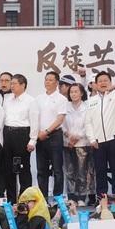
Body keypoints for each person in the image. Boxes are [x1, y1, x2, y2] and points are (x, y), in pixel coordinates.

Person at [84, 71, 115, 196]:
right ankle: (101, 197)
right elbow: (88, 122)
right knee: (100, 170)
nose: (103, 83)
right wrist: (92, 139)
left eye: (105, 80)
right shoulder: (91, 101)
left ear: (110, 82)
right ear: (95, 85)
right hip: (98, 142)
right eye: (100, 81)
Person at [0, 73, 37, 201]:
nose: (12, 86)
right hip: (7, 133)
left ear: (23, 85)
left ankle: (25, 199)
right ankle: (11, 199)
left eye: (14, 83)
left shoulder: (30, 100)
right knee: (8, 168)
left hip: (22, 134)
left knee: (23, 168)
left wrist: (33, 140)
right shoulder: (7, 98)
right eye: (11, 84)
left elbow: (34, 121)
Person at [34, 70, 67, 198]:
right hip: (40, 137)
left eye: (50, 80)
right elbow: (34, 117)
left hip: (54, 136)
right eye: (46, 79)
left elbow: (60, 119)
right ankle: (43, 198)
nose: (47, 82)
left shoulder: (61, 99)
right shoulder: (38, 99)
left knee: (57, 169)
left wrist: (47, 131)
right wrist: (38, 133)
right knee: (41, 170)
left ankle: (58, 198)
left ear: (57, 83)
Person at [63, 81, 95, 203]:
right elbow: (62, 124)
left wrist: (77, 137)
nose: (73, 94)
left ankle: (82, 197)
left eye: (76, 91)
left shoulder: (87, 107)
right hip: (67, 143)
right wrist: (68, 136)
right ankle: (72, 197)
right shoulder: (66, 107)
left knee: (82, 172)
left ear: (81, 93)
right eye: (71, 91)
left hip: (83, 143)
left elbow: (88, 124)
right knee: (69, 171)